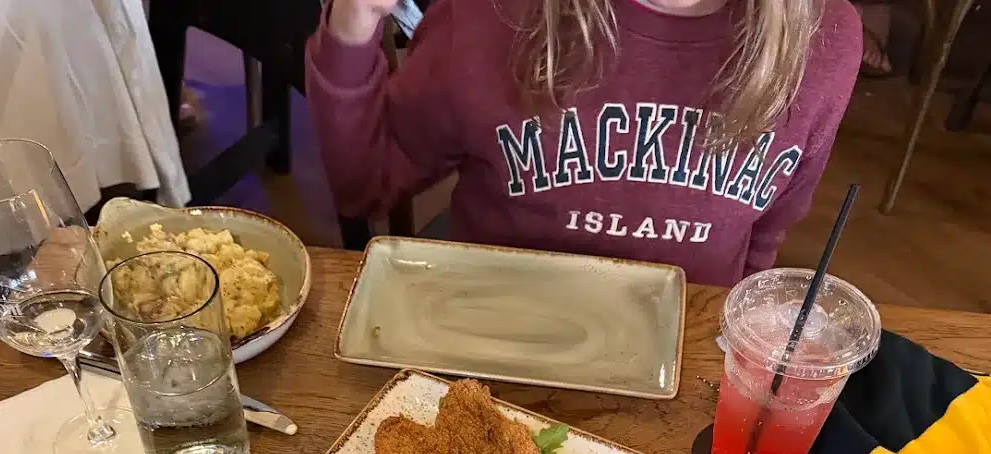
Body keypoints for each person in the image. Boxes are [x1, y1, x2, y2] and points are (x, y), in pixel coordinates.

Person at [305, 0, 862, 285]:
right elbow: (366, 186)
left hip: (684, 366)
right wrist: (351, 28)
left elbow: (764, 237)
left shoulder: (826, 39)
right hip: (492, 354)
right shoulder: (490, 16)